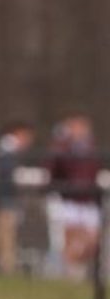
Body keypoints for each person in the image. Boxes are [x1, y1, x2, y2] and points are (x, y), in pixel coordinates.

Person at [47, 113, 101, 279]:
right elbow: (53, 169)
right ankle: (68, 274)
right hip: (70, 201)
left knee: (92, 241)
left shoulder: (90, 148)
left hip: (88, 200)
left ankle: (70, 267)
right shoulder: (62, 148)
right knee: (71, 238)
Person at [0, 121, 34, 274]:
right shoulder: (5, 152)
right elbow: (3, 179)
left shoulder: (3, 150)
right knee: (6, 239)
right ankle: (9, 270)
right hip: (2, 202)